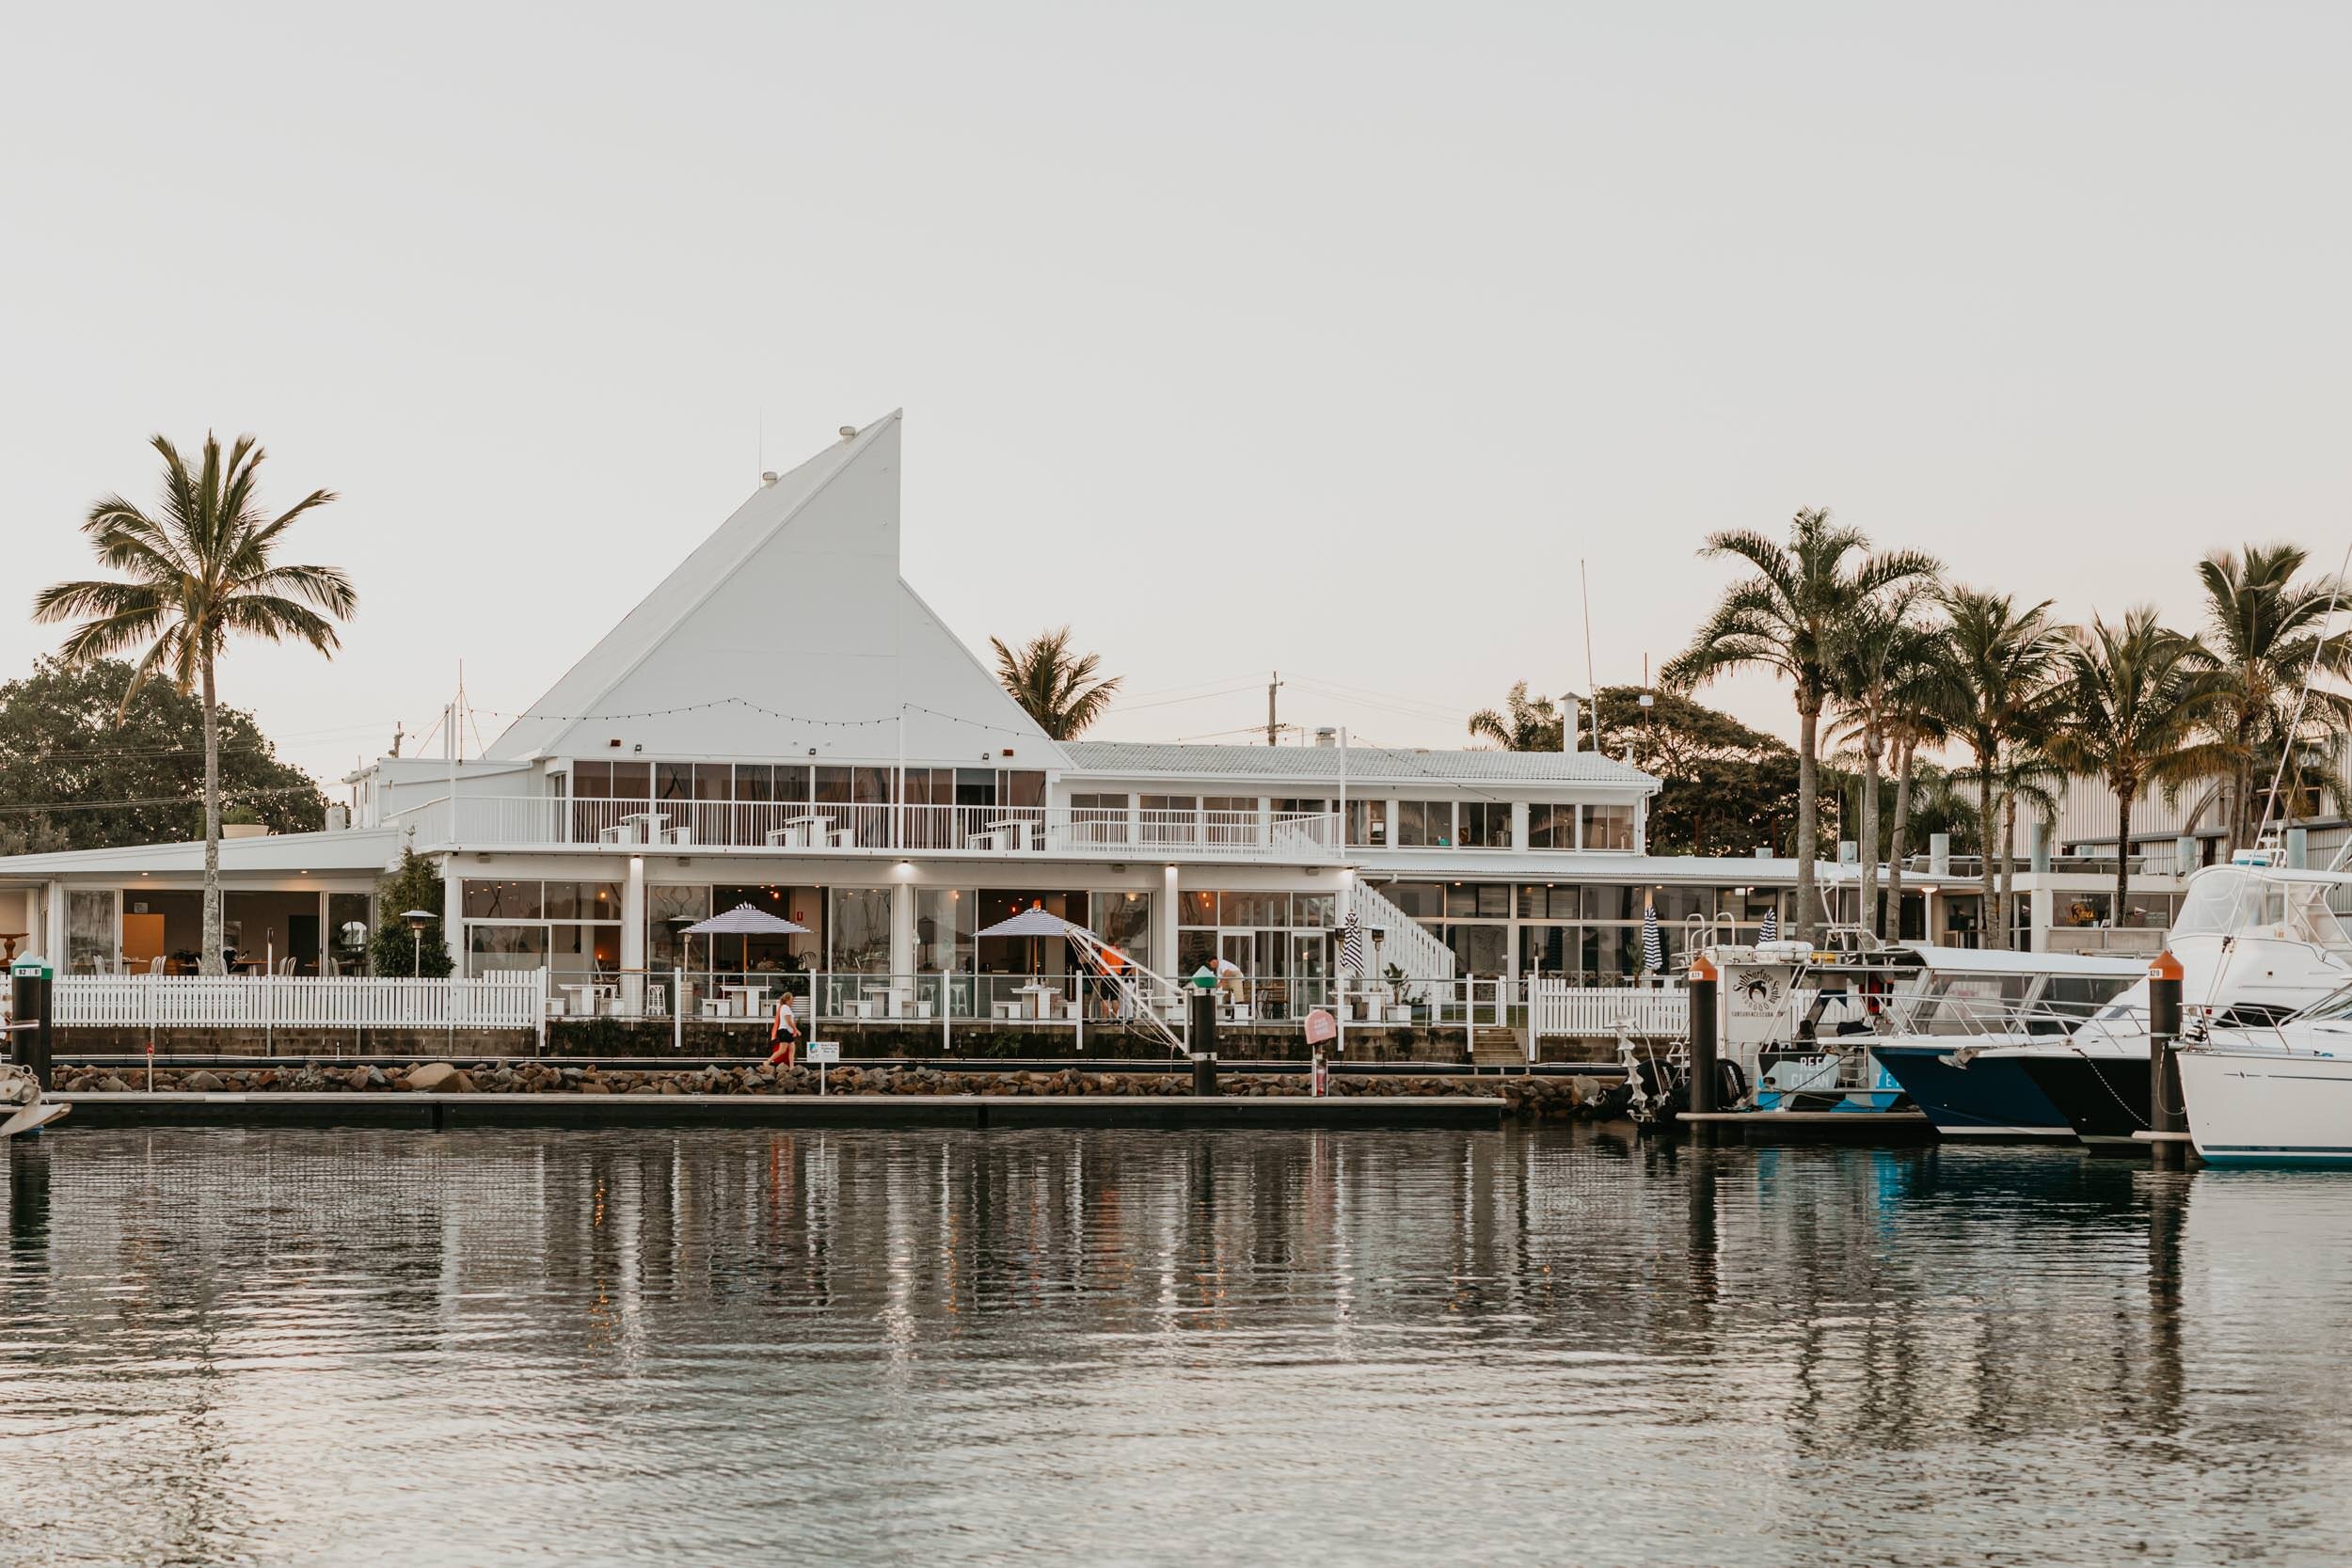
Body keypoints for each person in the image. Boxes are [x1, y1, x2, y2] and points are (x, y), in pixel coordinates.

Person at [767, 992, 800, 1068]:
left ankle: (792, 1067)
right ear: (788, 999)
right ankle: (767, 1062)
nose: (793, 1001)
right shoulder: (785, 1008)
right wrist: (796, 1030)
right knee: (782, 1050)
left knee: (792, 1050)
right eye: (792, 999)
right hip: (784, 1031)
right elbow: (788, 1021)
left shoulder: (786, 1008)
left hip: (788, 1032)